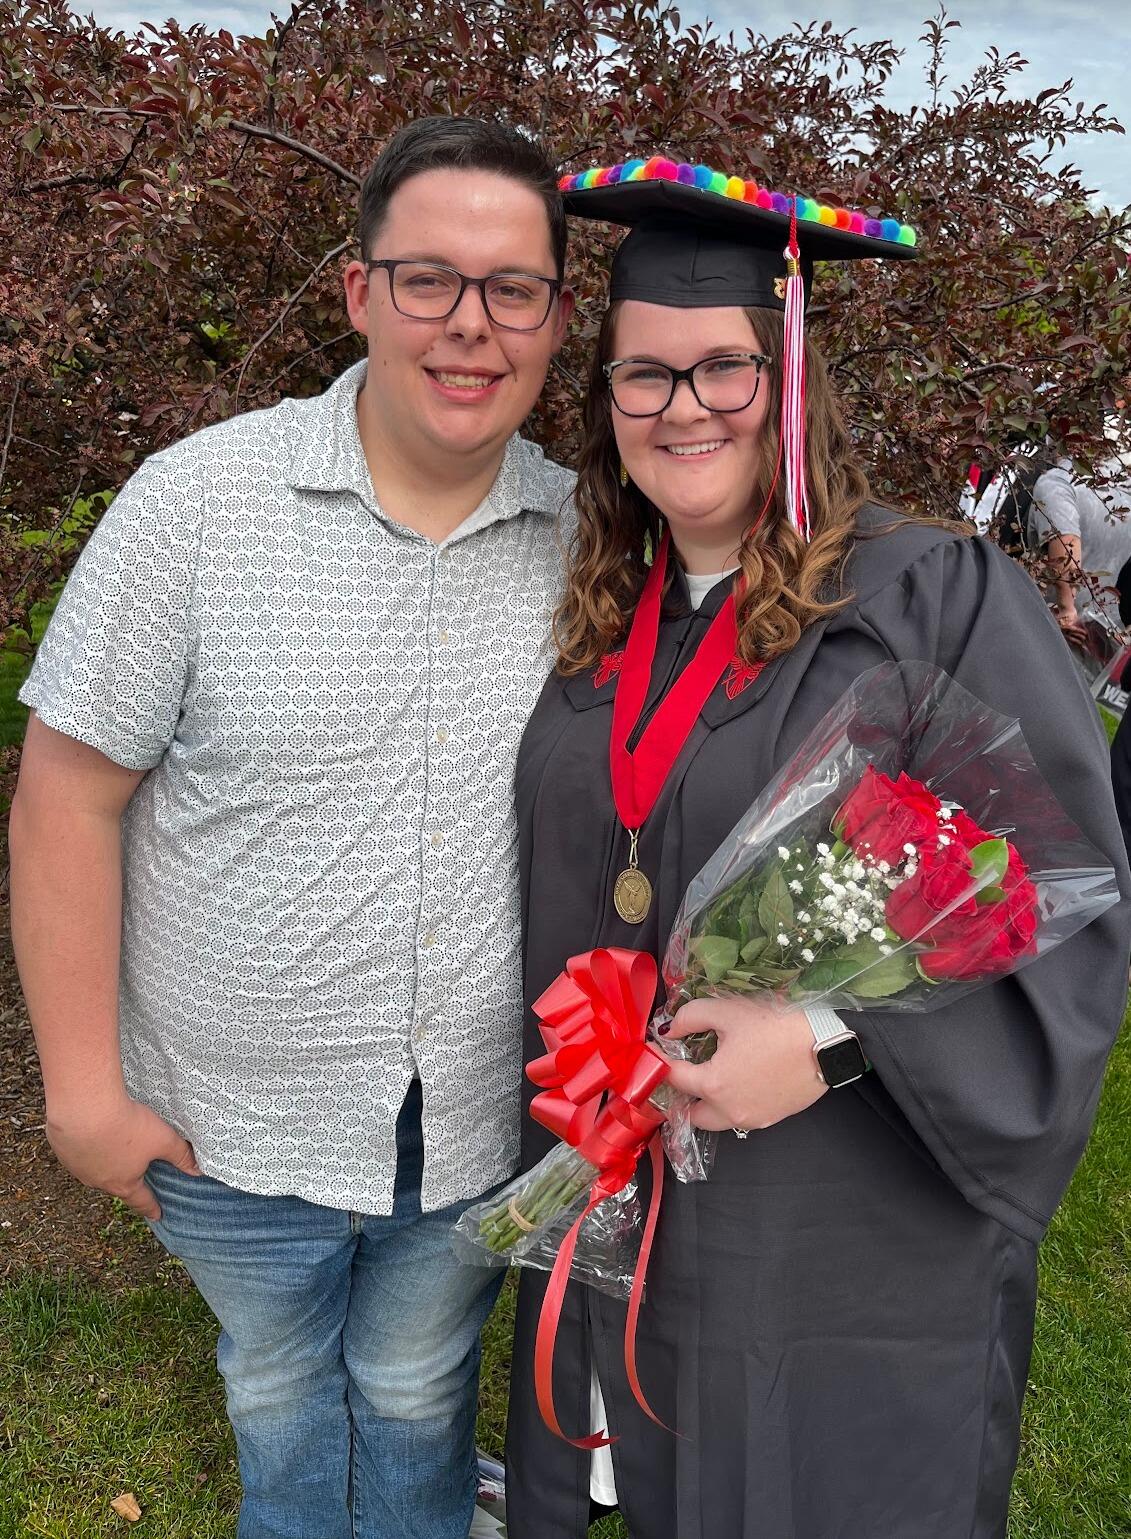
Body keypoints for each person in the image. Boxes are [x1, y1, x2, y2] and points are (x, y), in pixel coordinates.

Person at [502, 159, 1131, 1539]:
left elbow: (1057, 884)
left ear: (786, 381)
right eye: (642, 375)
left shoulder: (928, 595)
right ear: (603, 400)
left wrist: (835, 1031)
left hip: (844, 1235)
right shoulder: (604, 614)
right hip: (631, 1198)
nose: (682, 408)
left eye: (721, 367)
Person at [8, 116, 574, 1539]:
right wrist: (82, 1093)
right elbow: (67, 793)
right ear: (357, 292)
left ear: (557, 316)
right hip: (226, 1124)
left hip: (474, 1124)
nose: (470, 325)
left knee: (415, 1379)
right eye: (427, 278)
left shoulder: (590, 541)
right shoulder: (196, 507)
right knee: (272, 1379)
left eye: (513, 287)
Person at [1029, 422, 1131, 646]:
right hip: (1108, 635)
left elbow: (1066, 542)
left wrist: (1066, 610)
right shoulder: (1124, 483)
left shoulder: (1057, 482)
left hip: (1062, 634)